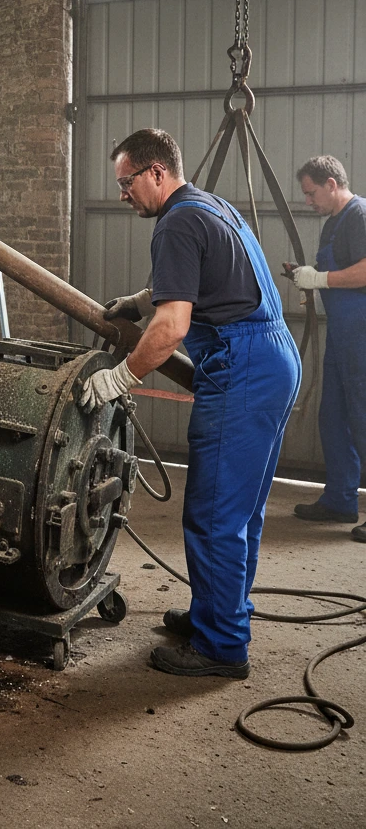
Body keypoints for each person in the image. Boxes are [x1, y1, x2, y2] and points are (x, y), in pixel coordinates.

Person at [79, 128, 301, 679]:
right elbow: (208, 280)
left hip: (243, 367)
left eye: (127, 182)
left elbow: (173, 326)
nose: (122, 194)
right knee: (240, 511)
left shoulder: (176, 223)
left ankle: (221, 646)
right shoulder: (209, 206)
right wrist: (139, 301)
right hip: (274, 358)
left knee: (214, 515)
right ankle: (217, 613)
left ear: (156, 172)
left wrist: (119, 378)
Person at [287, 155, 366, 542]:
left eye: (311, 192)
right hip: (343, 333)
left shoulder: (358, 215)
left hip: (362, 331)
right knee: (333, 416)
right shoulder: (334, 222)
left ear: (331, 184)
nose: (308, 201)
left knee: (364, 418)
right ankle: (340, 499)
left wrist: (319, 279)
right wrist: (307, 277)